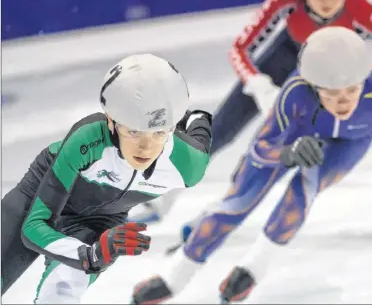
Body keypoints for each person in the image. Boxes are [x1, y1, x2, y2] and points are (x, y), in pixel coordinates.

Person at [130, 26, 372, 304]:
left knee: (301, 193)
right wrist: (287, 153)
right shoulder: (295, 94)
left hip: (347, 144)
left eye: (352, 90)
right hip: (291, 138)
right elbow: (261, 148)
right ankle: (174, 278)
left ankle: (252, 270)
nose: (343, 102)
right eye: (331, 93)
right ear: (313, 86)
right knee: (237, 202)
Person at [128, 0, 372, 225]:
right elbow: (239, 48)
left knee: (281, 151)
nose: (327, 0)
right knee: (219, 130)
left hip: (323, 81)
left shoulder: (357, 7)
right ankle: (159, 198)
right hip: (281, 63)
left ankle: (219, 212)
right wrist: (258, 84)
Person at [1, 54, 213, 303]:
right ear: (111, 121)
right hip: (38, 197)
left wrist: (96, 252)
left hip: (99, 221)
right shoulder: (88, 140)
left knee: (60, 296)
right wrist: (91, 256)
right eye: (133, 131)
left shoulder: (188, 165)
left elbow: (201, 120)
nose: (146, 147)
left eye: (158, 133)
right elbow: (33, 227)